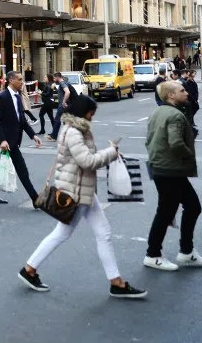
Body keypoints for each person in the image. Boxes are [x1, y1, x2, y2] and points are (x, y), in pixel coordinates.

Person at [18, 95, 147, 299]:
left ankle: (116, 282)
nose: (92, 116)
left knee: (102, 232)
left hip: (83, 189)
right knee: (63, 233)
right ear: (82, 112)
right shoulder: (74, 132)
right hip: (76, 193)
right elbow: (86, 161)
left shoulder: (75, 128)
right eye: (91, 112)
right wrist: (111, 153)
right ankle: (29, 269)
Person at [143, 81, 202, 271]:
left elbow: (149, 140)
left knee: (191, 206)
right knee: (167, 212)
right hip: (170, 169)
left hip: (160, 167)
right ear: (171, 95)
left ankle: (186, 252)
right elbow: (176, 143)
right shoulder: (175, 116)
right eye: (182, 91)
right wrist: (189, 154)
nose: (186, 93)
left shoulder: (157, 112)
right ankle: (153, 254)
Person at [0, 70, 41, 205]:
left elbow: (21, 120)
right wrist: (2, 140)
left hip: (14, 139)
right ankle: (35, 199)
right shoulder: (3, 97)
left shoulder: (17, 96)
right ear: (11, 80)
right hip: (8, 141)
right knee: (22, 170)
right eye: (19, 79)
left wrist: (33, 135)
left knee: (1, 165)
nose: (22, 82)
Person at [48, 71, 71, 141]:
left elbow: (67, 92)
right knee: (65, 121)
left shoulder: (62, 83)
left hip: (63, 105)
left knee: (57, 120)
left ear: (57, 77)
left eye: (54, 78)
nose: (53, 80)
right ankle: (67, 135)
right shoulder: (64, 82)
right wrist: (55, 89)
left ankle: (54, 136)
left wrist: (63, 102)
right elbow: (62, 92)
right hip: (66, 104)